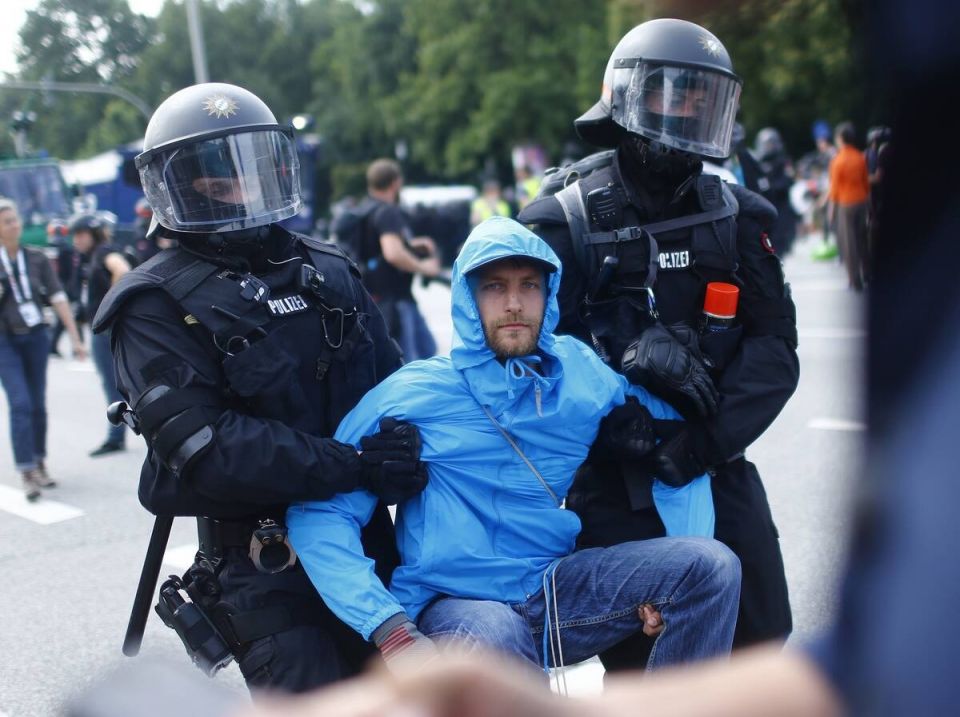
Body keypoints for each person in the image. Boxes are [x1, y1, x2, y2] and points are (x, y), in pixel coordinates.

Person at [288, 216, 740, 677]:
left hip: (554, 587)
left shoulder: (579, 373)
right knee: (498, 630)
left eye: (529, 285)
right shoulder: (416, 392)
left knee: (711, 566)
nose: (514, 303)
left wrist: (680, 552)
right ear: (468, 298)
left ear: (549, 292)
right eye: (494, 287)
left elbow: (674, 448)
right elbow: (320, 511)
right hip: (456, 607)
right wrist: (390, 629)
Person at [90, 82, 428, 693]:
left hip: (371, 545)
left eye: (246, 165)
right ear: (175, 186)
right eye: (211, 175)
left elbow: (397, 391)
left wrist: (403, 451)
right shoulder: (151, 305)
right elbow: (209, 450)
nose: (236, 186)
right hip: (264, 564)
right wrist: (353, 464)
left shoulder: (329, 270)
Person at [518, 18, 799, 666]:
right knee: (640, 666)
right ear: (625, 98)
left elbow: (775, 349)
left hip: (715, 460)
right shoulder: (563, 220)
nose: (689, 109)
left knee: (762, 637)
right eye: (673, 93)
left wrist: (701, 443)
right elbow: (529, 359)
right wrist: (615, 416)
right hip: (615, 477)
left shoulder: (738, 214)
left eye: (703, 97)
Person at [0, 198, 87, 500]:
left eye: (15, 219)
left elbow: (58, 298)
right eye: (7, 221)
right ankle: (26, 471)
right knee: (20, 403)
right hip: (5, 341)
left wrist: (75, 338)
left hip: (36, 336)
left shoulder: (36, 257)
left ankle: (39, 461)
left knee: (37, 403)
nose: (15, 225)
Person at [361, 158, 440, 361]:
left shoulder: (365, 209)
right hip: (395, 299)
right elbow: (393, 253)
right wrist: (425, 267)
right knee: (410, 361)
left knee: (427, 349)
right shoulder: (388, 211)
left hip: (376, 296)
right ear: (396, 182)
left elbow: (377, 248)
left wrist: (413, 244)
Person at [68, 212, 132, 457]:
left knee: (113, 384)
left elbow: (122, 270)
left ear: (93, 234)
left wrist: (109, 306)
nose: (77, 240)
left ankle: (116, 437)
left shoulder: (104, 252)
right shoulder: (91, 256)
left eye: (81, 234)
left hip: (105, 329)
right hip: (105, 327)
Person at [826, 121, 870, 290]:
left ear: (840, 138)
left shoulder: (838, 160)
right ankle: (867, 273)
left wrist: (831, 211)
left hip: (845, 203)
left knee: (849, 242)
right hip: (862, 201)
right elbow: (866, 182)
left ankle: (854, 279)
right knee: (863, 239)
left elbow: (834, 189)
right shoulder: (860, 157)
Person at [753, 127, 800, 256]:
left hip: (781, 208)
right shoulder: (758, 163)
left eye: (770, 144)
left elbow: (788, 181)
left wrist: (771, 187)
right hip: (765, 207)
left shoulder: (783, 161)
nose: (767, 147)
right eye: (765, 144)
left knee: (780, 243)